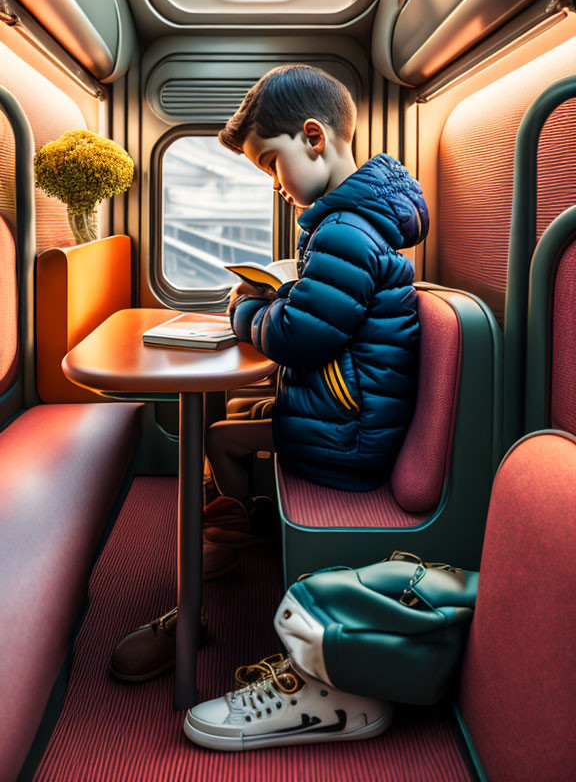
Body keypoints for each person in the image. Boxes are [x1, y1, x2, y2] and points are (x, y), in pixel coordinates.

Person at [110, 64, 429, 683]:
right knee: (235, 414)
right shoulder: (355, 223)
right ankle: (240, 522)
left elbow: (300, 336)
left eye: (269, 163)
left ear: (314, 138)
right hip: (347, 410)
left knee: (218, 437)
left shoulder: (346, 231)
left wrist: (248, 307)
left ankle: (213, 564)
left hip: (348, 437)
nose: (273, 184)